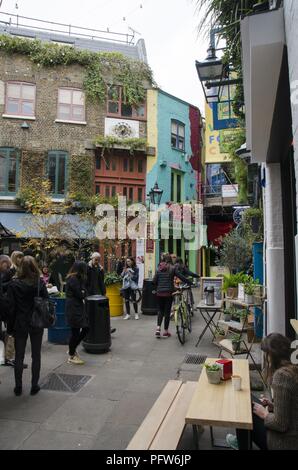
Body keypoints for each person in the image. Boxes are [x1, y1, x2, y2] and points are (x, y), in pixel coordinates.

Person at [226, 333, 298, 450]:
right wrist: (272, 406)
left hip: (283, 442)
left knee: (244, 409)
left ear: (271, 355)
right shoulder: (293, 370)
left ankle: (242, 445)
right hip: (292, 436)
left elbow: (281, 424)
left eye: (267, 354)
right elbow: (292, 408)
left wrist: (264, 414)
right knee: (247, 399)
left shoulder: (282, 376)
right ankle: (241, 442)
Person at [6, 256, 48, 396]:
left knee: (19, 356)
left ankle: (18, 387)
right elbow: (46, 301)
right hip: (36, 322)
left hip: (20, 322)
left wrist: (10, 327)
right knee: (36, 355)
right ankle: (34, 385)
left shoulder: (14, 284)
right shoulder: (39, 283)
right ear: (34, 267)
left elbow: (11, 308)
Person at [152, 254, 192, 338]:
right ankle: (166, 331)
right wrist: (190, 282)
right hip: (168, 293)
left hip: (159, 293)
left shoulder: (158, 268)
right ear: (170, 260)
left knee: (160, 311)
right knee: (167, 312)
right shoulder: (172, 268)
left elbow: (154, 281)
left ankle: (158, 329)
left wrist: (158, 288)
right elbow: (181, 277)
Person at [65, 261, 89, 365]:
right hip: (73, 307)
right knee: (76, 331)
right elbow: (81, 294)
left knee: (85, 328)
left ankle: (72, 348)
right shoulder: (73, 279)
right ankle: (71, 355)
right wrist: (83, 292)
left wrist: (83, 291)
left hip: (77, 306)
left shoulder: (77, 278)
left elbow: (84, 291)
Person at [87, 252, 116, 334]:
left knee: (102, 312)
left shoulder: (100, 269)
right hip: (90, 294)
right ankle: (90, 330)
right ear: (92, 259)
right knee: (90, 313)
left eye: (99, 260)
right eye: (96, 260)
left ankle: (107, 328)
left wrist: (104, 292)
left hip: (99, 293)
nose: (97, 261)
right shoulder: (87, 268)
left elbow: (101, 282)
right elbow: (85, 281)